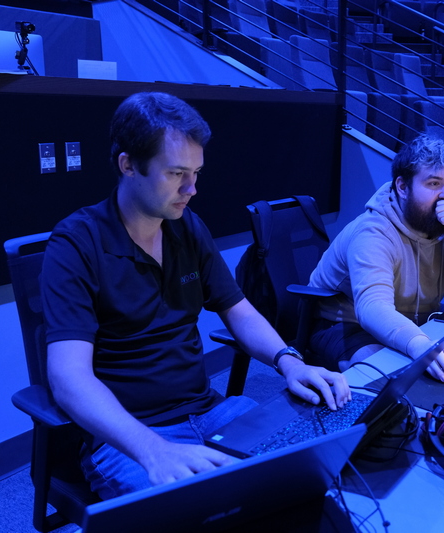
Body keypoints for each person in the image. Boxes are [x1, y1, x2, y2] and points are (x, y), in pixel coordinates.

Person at [40, 92, 350, 499]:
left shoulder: (187, 226)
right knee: (205, 512)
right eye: (176, 174)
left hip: (210, 411)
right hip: (131, 435)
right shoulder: (76, 243)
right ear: (128, 165)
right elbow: (68, 377)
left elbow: (238, 309)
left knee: (313, 472)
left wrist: (289, 362)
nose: (192, 188)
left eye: (197, 172)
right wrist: (153, 451)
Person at [307, 134, 444, 380]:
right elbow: (373, 307)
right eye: (434, 184)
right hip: (345, 325)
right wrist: (419, 344)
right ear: (402, 187)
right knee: (390, 380)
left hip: (412, 325)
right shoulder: (373, 231)